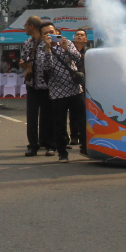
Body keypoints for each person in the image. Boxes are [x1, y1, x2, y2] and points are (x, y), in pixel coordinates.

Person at [34, 22, 83, 163]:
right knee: (60, 124)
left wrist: (66, 48)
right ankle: (62, 153)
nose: (50, 35)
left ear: (56, 31)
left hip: (75, 89)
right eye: (46, 33)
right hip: (57, 92)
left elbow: (77, 58)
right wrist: (49, 49)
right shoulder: (41, 49)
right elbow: (46, 67)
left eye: (51, 31)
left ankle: (85, 147)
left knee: (81, 120)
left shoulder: (66, 42)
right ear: (42, 36)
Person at [19, 16, 53, 156]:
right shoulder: (28, 43)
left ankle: (49, 144)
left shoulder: (47, 41)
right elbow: (24, 59)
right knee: (31, 117)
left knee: (48, 116)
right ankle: (33, 145)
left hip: (47, 85)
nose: (25, 27)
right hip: (32, 84)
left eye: (26, 25)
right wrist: (23, 64)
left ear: (32, 26)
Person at [70, 28, 89, 154]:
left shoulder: (89, 53)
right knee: (72, 111)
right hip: (71, 82)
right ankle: (73, 136)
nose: (79, 37)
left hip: (84, 82)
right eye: (77, 35)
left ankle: (83, 137)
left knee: (82, 111)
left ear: (86, 39)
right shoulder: (70, 51)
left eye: (81, 35)